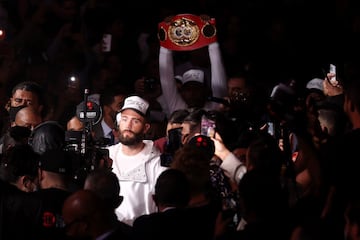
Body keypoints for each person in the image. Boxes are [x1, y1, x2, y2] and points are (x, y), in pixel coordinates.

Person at [107, 95, 168, 225]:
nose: (128, 125)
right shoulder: (108, 155)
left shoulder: (157, 161)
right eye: (124, 119)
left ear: (146, 128)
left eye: (135, 121)